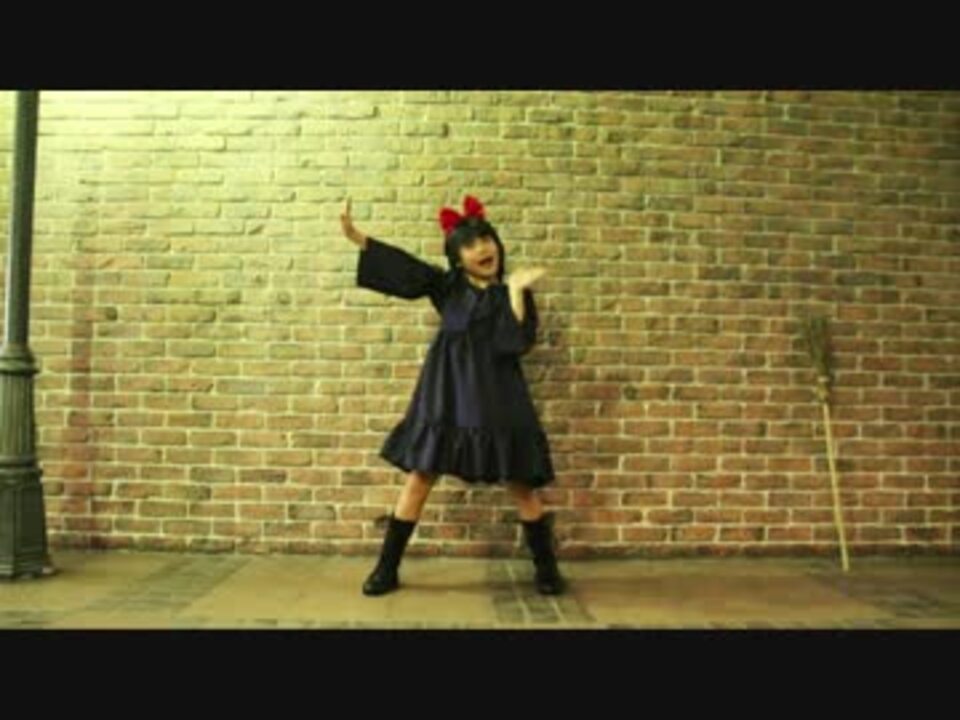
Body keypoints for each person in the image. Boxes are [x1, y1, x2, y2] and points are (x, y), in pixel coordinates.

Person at [340, 195, 566, 597]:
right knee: (419, 478)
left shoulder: (514, 292)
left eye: (486, 240)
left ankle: (546, 569)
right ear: (458, 258)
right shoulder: (447, 288)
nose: (482, 248)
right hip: (446, 396)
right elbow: (407, 268)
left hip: (498, 398)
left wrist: (515, 290)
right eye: (470, 244)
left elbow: (515, 343)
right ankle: (386, 568)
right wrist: (358, 238)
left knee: (522, 486)